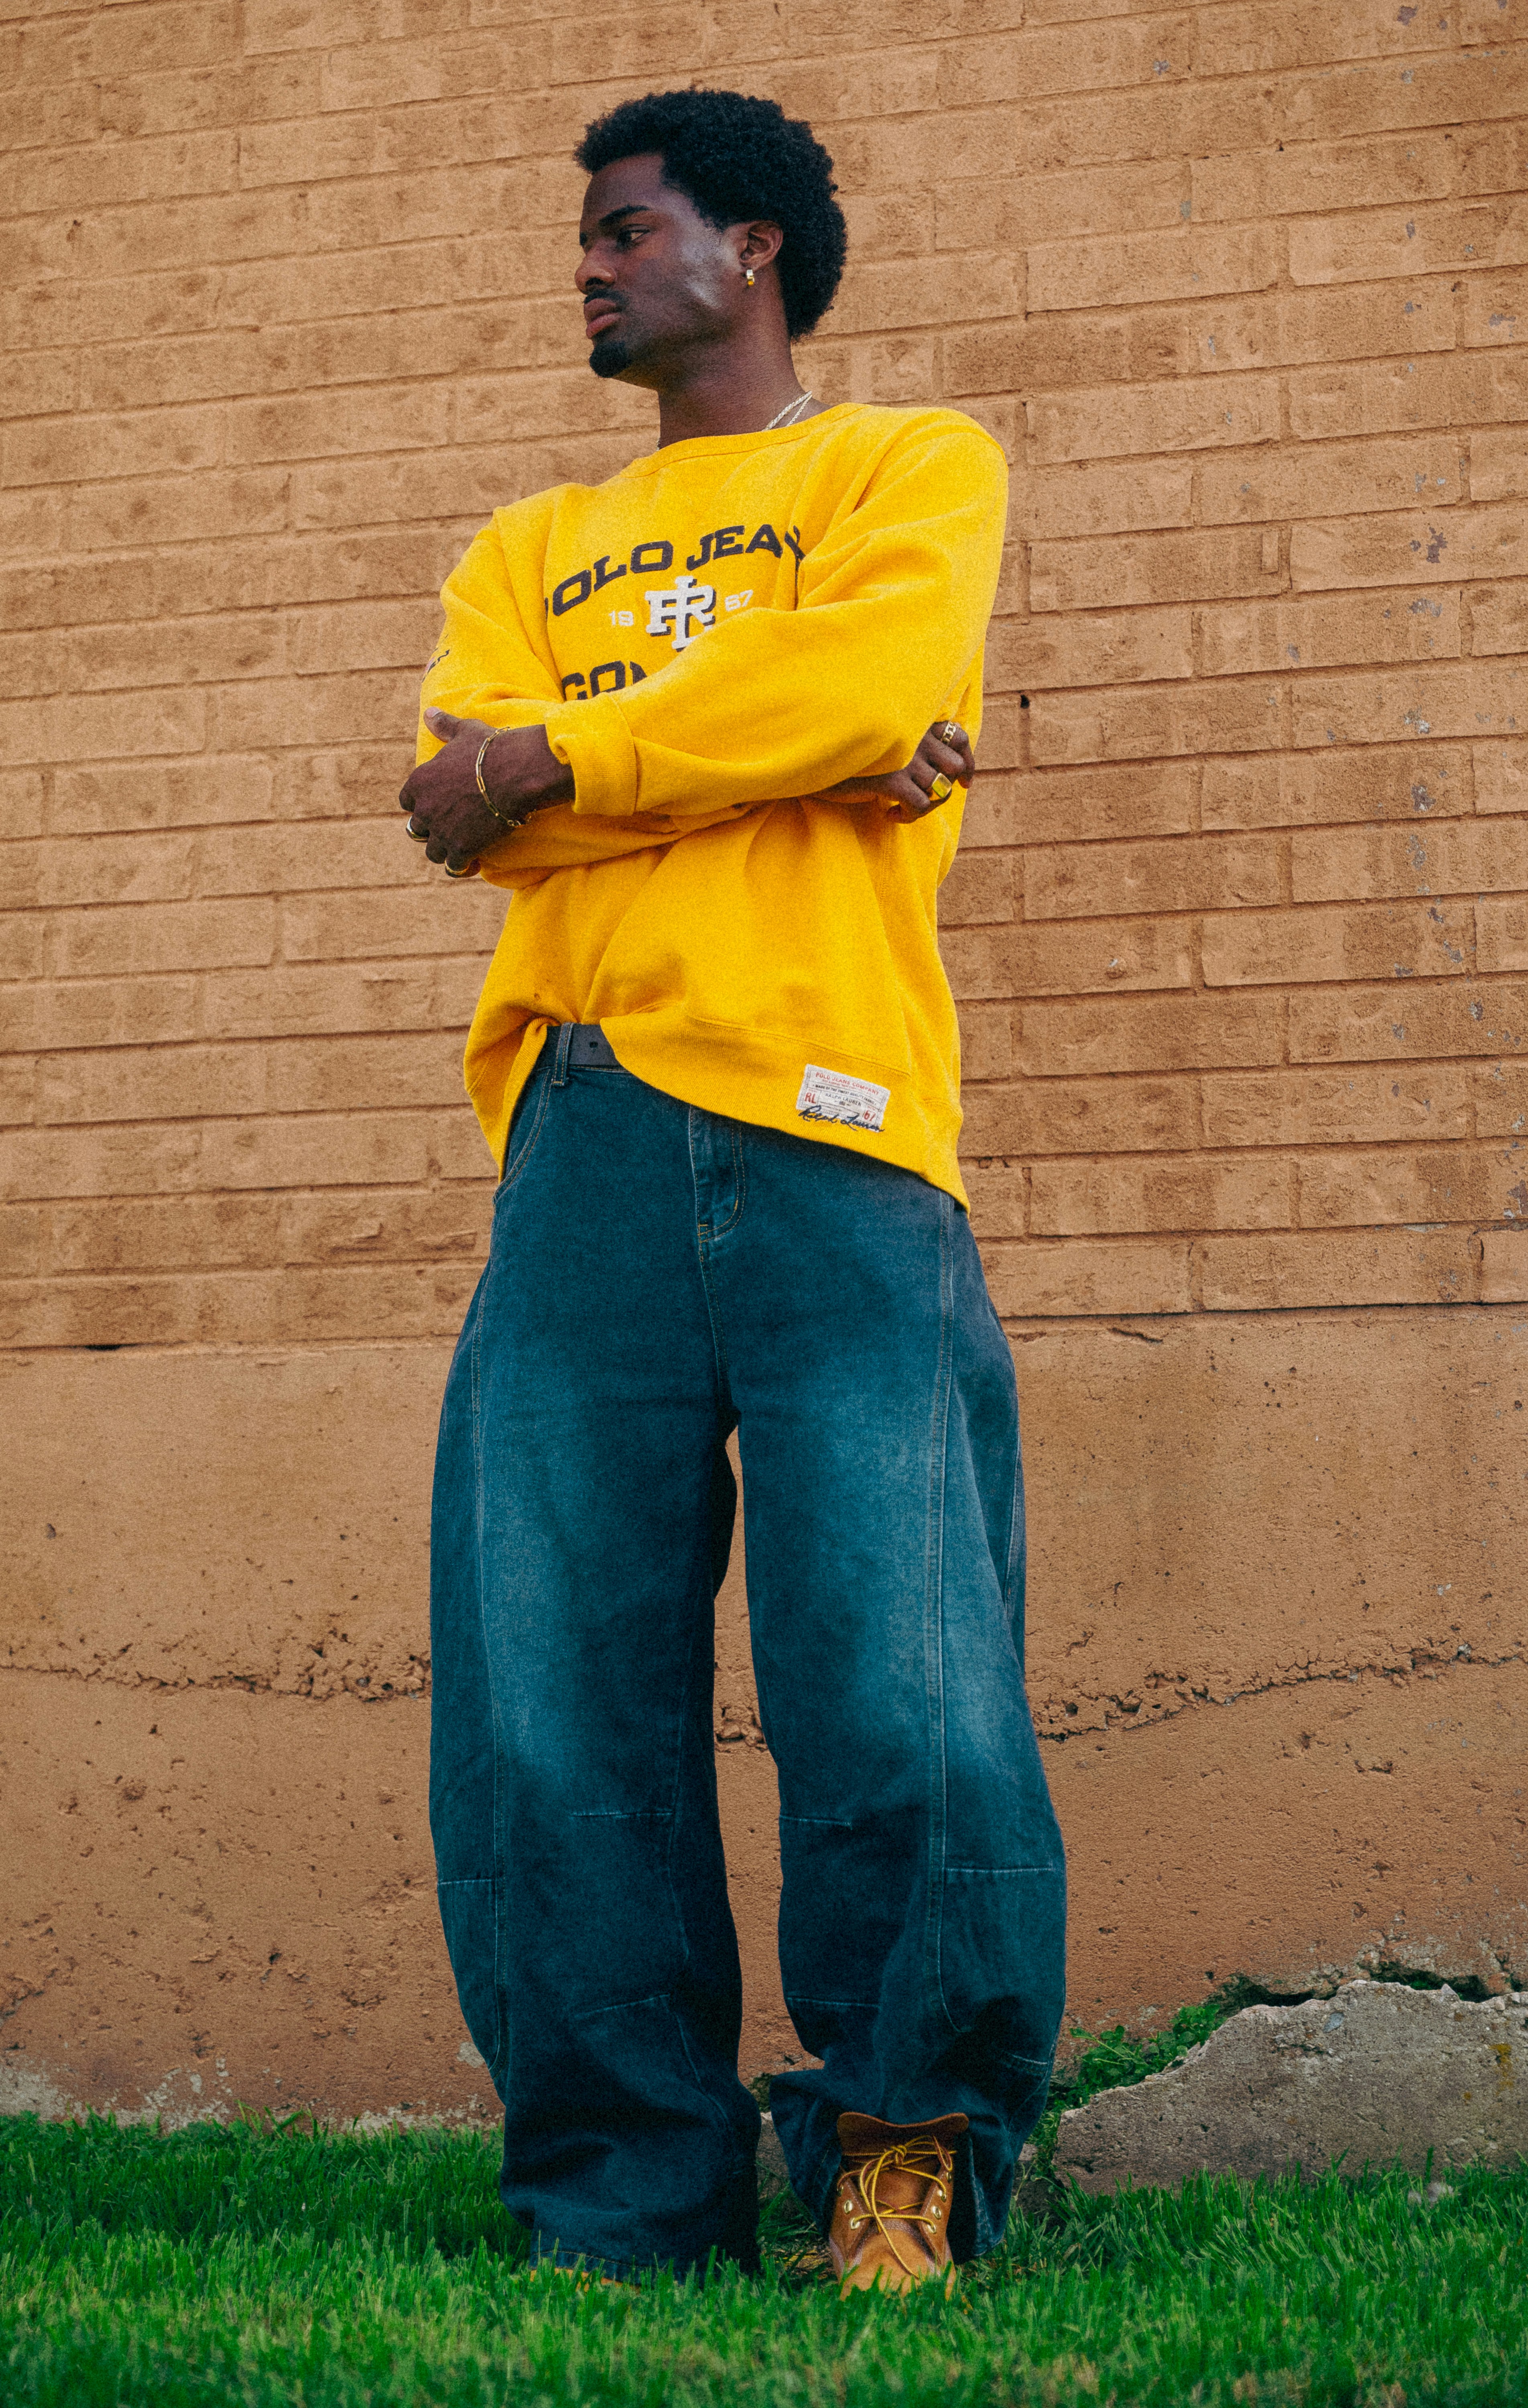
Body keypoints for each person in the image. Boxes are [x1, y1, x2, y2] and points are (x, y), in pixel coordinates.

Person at [400, 85, 1065, 2294]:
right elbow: (454, 807)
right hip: (579, 1134)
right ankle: (623, 2201)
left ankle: (908, 2173)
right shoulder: (520, 549)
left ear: (753, 245)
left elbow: (867, 678)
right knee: (553, 1701)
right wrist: (779, 748)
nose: (586, 265)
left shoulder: (908, 469)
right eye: (584, 237)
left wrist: (571, 758)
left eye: (624, 228)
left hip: (837, 1132)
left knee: (900, 1681)